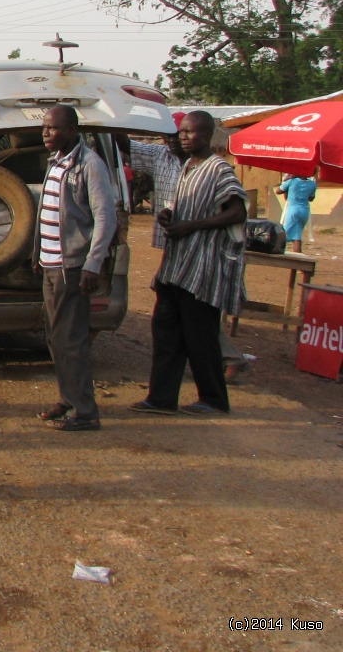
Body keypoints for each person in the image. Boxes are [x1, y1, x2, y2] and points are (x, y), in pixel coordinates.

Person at [130, 111, 247, 416]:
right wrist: (169, 214)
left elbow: (237, 212)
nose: (183, 137)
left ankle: (213, 399)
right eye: (181, 132)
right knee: (166, 331)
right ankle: (161, 398)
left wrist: (193, 226)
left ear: (207, 135)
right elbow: (183, 205)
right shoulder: (187, 168)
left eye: (189, 132)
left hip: (202, 266)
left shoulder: (218, 169)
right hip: (177, 265)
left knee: (201, 337)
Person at [32, 105, 116, 433]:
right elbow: (48, 211)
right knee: (56, 336)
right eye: (44, 128)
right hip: (52, 265)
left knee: (72, 338)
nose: (45, 133)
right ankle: (69, 399)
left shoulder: (90, 165)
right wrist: (38, 254)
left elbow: (104, 217)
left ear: (71, 130)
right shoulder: (56, 163)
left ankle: (85, 411)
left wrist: (93, 264)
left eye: (52, 128)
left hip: (73, 267)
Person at [278, 175, 317, 254]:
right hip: (304, 211)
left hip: (292, 209)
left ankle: (277, 254)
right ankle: (297, 259)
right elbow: (311, 198)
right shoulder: (312, 183)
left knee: (283, 233)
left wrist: (285, 181)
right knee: (297, 236)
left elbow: (278, 191)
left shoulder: (292, 181)